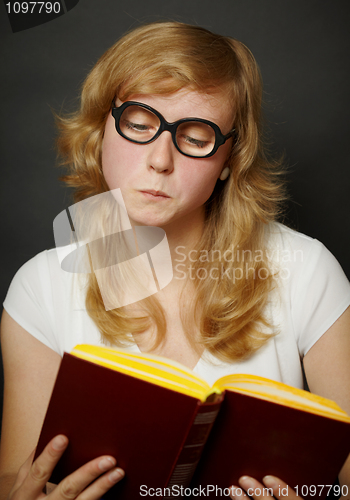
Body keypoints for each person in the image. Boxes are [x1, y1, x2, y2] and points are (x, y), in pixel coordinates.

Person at [0, 21, 349, 500]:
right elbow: (13, 478)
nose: (160, 159)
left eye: (196, 136)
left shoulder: (307, 270)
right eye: (139, 124)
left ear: (229, 157)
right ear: (103, 126)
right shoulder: (40, 286)